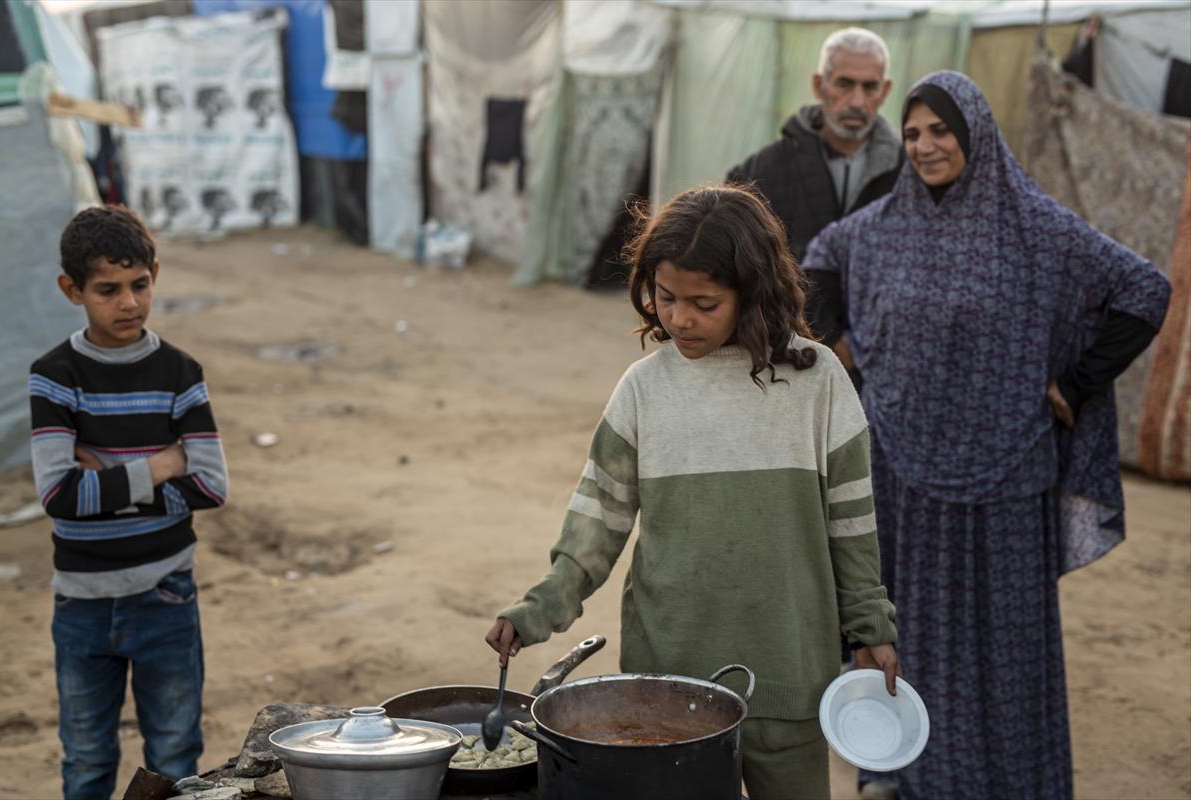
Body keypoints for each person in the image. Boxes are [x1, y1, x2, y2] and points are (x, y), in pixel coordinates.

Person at [801, 71, 1171, 800]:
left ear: (976, 133)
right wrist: (838, 341)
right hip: (904, 473)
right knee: (905, 631)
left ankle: (1009, 782)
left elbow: (1144, 290)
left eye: (940, 130)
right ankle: (900, 770)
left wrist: (1077, 382)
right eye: (912, 133)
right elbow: (818, 260)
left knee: (1005, 643)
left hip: (1006, 476)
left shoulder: (1037, 228)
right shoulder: (882, 227)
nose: (924, 146)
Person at [485, 184, 901, 799]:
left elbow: (852, 523)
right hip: (668, 688)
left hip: (789, 678)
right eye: (666, 297)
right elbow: (598, 521)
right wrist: (541, 606)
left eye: (704, 303)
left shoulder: (819, 384)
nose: (679, 319)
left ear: (753, 293)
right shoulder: (643, 389)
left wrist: (871, 627)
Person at [29, 205, 229, 800]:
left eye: (140, 285)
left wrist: (106, 480)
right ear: (72, 290)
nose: (129, 303)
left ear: (155, 275)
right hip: (82, 603)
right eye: (107, 290)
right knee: (87, 760)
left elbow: (211, 486)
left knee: (174, 756)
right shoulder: (54, 376)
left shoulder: (180, 373)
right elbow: (60, 495)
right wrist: (161, 464)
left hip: (167, 593)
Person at [727, 27, 903, 361]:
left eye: (869, 87)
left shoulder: (909, 175)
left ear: (885, 91)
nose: (857, 101)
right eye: (844, 84)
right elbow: (739, 270)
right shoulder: (761, 173)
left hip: (882, 361)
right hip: (788, 356)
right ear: (819, 85)